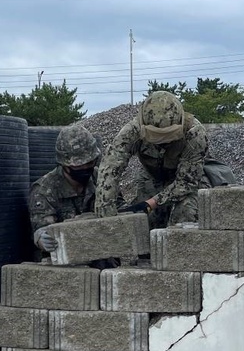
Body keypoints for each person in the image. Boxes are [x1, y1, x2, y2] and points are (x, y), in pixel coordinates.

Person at [94, 91, 208, 228]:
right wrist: (105, 209)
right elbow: (111, 165)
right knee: (144, 222)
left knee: (185, 215)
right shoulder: (133, 130)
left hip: (187, 179)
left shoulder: (195, 134)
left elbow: (186, 183)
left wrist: (152, 203)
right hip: (151, 176)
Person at [29, 123, 100, 254]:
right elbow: (43, 228)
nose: (85, 168)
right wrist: (41, 238)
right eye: (79, 165)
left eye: (89, 163)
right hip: (64, 261)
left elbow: (120, 209)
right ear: (64, 164)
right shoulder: (44, 190)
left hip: (101, 256)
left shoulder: (100, 178)